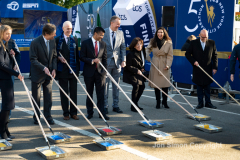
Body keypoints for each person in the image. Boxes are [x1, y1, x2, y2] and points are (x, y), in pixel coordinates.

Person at [29, 23, 57, 125]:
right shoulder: (35, 42)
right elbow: (33, 59)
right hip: (37, 74)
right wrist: (43, 67)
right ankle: (36, 117)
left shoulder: (53, 41)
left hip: (49, 74)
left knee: (48, 97)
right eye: (53, 33)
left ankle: (48, 116)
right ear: (46, 33)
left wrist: (54, 68)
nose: (55, 35)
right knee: (36, 98)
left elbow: (54, 55)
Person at [80, 27, 109, 120]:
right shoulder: (85, 43)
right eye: (101, 35)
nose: (102, 37)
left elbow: (104, 59)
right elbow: (82, 57)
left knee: (101, 94)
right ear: (95, 33)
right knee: (89, 93)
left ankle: (102, 113)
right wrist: (92, 60)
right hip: (89, 73)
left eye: (103, 36)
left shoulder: (103, 44)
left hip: (100, 73)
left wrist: (104, 71)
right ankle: (90, 112)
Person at [0, 25, 24, 140]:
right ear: (1, 33)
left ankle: (6, 131)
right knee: (6, 106)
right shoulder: (0, 46)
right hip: (3, 79)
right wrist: (16, 74)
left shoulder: (5, 44)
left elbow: (6, 62)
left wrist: (11, 55)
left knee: (8, 106)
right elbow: (1, 65)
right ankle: (3, 133)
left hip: (7, 78)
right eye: (7, 34)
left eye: (10, 33)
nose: (9, 36)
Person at [185, 29, 218, 109]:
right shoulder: (194, 43)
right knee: (199, 86)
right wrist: (193, 61)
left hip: (208, 68)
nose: (204, 39)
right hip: (198, 68)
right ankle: (200, 103)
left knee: (207, 86)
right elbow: (187, 54)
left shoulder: (211, 43)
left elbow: (215, 55)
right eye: (203, 37)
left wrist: (215, 67)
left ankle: (208, 102)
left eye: (206, 37)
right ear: (199, 35)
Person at [56, 21, 80, 120]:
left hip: (73, 70)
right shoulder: (57, 40)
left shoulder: (74, 39)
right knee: (64, 93)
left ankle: (73, 112)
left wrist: (77, 70)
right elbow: (54, 54)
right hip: (62, 71)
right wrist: (59, 58)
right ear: (63, 28)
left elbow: (76, 56)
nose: (69, 30)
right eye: (67, 28)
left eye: (70, 28)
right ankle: (66, 113)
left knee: (74, 92)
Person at [102, 16, 126, 114]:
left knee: (116, 86)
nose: (118, 26)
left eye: (119, 24)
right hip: (106, 63)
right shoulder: (103, 32)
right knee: (105, 86)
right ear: (111, 23)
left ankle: (115, 105)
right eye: (117, 24)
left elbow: (123, 48)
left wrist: (123, 60)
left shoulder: (120, 33)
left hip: (117, 63)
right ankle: (105, 106)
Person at [146, 27, 173, 109]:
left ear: (164, 33)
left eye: (161, 32)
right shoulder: (153, 41)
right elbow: (147, 49)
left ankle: (165, 102)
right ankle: (158, 102)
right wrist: (148, 57)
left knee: (165, 86)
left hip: (164, 64)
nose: (159, 34)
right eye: (158, 32)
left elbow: (170, 55)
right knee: (156, 85)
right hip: (155, 64)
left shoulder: (169, 42)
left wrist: (168, 65)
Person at [123, 37, 146, 112]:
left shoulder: (142, 52)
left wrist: (142, 68)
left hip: (138, 73)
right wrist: (137, 70)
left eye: (140, 44)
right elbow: (128, 66)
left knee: (142, 86)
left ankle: (135, 103)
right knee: (136, 85)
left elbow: (141, 63)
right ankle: (134, 106)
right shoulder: (130, 54)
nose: (139, 46)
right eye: (137, 44)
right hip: (131, 73)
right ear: (134, 45)